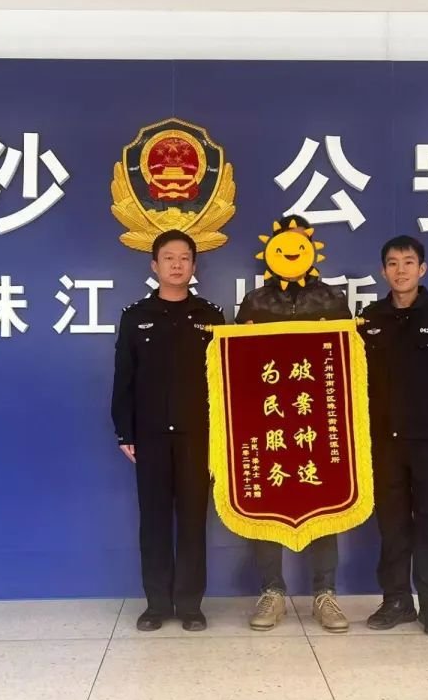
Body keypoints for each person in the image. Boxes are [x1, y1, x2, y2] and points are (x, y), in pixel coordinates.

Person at [236, 214, 353, 633]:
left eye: (299, 243)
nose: (291, 251)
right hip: (268, 419)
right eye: (283, 243)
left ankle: (325, 594)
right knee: (266, 503)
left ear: (312, 250)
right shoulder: (254, 303)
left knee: (324, 499)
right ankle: (272, 591)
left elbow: (348, 360)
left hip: (317, 418)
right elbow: (238, 366)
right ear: (270, 251)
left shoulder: (332, 300)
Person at [111, 230, 226, 632]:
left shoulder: (210, 316)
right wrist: (124, 431)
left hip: (198, 436)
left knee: (193, 521)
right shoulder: (136, 316)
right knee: (155, 520)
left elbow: (224, 382)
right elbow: (124, 378)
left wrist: (222, 436)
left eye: (184, 258)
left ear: (194, 266)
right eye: (169, 258)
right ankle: (157, 604)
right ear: (154, 265)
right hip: (151, 435)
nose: (177, 265)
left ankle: (191, 606)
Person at [357, 235, 428, 637]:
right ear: (383, 271)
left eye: (408, 262)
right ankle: (396, 601)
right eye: (392, 263)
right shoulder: (369, 319)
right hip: (383, 443)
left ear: (422, 269)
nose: (400, 270)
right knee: (391, 525)